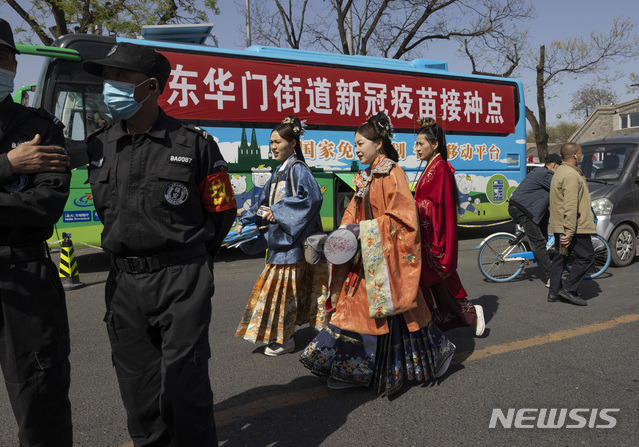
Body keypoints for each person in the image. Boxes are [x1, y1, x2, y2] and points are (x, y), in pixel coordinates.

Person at [83, 43, 236, 446]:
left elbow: (221, 212)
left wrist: (193, 262)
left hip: (181, 280)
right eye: (105, 79)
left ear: (151, 87)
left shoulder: (194, 145)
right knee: (140, 397)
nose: (107, 87)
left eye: (119, 79)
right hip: (123, 286)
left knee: (185, 392)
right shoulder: (100, 146)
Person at [300, 113, 455, 396]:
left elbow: (404, 221)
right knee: (364, 314)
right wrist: (346, 229)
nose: (356, 149)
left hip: (384, 259)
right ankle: (355, 368)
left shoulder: (392, 173)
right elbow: (355, 213)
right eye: (355, 144)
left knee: (394, 315)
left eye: (360, 143)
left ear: (378, 143)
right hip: (368, 257)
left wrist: (364, 230)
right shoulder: (370, 175)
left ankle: (427, 357)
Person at [0, 18, 73, 447]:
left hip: (23, 272)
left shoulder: (40, 128)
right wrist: (8, 165)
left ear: (13, 62)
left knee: (39, 397)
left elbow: (44, 206)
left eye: (0, 55)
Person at [234, 116, 328, 356]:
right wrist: (244, 221)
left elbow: (313, 199)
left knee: (285, 295)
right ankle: (289, 336)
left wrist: (277, 212)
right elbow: (262, 203)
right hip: (283, 244)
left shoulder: (298, 169)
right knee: (285, 294)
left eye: (278, 141)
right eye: (271, 142)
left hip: (292, 246)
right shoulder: (279, 172)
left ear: (293, 143)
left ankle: (286, 340)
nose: (273, 146)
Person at [413, 117, 486, 336]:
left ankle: (472, 311)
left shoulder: (441, 167)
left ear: (435, 144)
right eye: (416, 144)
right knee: (433, 285)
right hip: (424, 235)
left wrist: (413, 204)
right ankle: (437, 325)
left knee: (443, 281)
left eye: (420, 144)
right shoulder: (429, 167)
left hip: (435, 235)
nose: (416, 148)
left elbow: (439, 205)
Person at [548, 142, 595, 306]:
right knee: (587, 256)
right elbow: (570, 205)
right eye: (580, 153)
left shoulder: (560, 171)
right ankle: (568, 289)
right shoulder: (570, 175)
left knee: (561, 257)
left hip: (561, 227)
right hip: (574, 228)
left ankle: (554, 292)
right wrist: (569, 232)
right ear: (575, 155)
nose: (582, 155)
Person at [508, 153, 563, 285]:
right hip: (523, 210)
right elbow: (559, 190)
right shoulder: (545, 175)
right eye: (559, 166)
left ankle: (541, 257)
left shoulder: (541, 172)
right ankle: (551, 278)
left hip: (529, 209)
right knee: (539, 242)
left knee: (543, 236)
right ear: (554, 165)